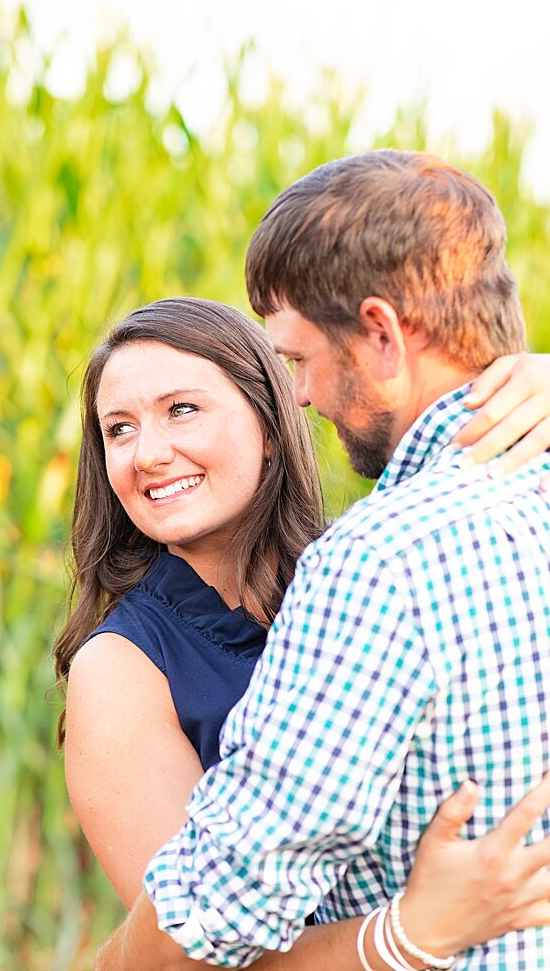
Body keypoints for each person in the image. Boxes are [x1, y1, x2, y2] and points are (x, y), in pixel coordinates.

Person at [80, 152, 550, 969]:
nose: (146, 452)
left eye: (182, 409)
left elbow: (196, 932)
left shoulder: (370, 566)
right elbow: (195, 944)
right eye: (117, 428)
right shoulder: (123, 666)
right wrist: (405, 934)